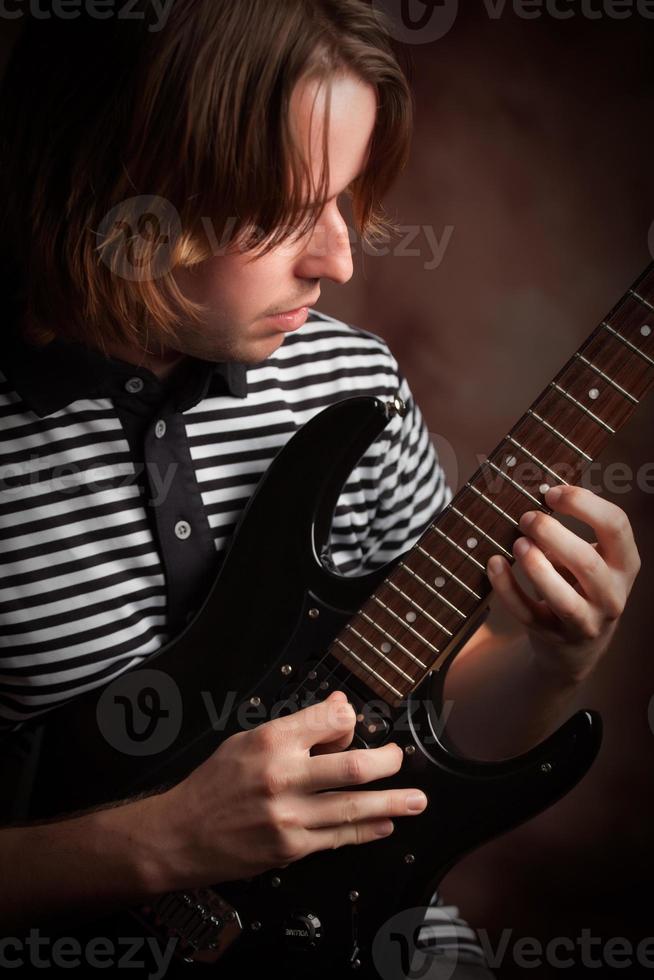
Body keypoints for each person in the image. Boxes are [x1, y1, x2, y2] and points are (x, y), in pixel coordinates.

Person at [0, 2, 641, 978]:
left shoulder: (356, 385)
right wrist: (155, 842)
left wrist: (543, 655)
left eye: (341, 199)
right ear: (115, 194)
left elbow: (415, 736)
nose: (338, 258)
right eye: (277, 214)